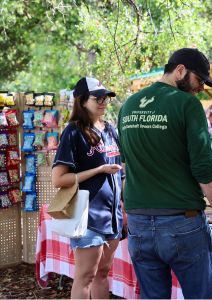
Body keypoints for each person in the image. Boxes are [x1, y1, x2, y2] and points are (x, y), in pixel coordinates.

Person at [117, 48, 212, 299]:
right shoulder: (187, 104)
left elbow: (126, 167)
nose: (201, 88)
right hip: (181, 223)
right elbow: (203, 168)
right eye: (199, 80)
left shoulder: (128, 107)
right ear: (180, 70)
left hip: (138, 223)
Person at [51, 77, 124, 299]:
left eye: (106, 98)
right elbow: (59, 179)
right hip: (88, 215)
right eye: (97, 98)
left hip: (113, 216)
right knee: (85, 277)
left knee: (103, 273)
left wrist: (124, 206)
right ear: (82, 101)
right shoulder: (73, 132)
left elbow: (121, 171)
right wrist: (98, 169)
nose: (103, 102)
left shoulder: (110, 130)